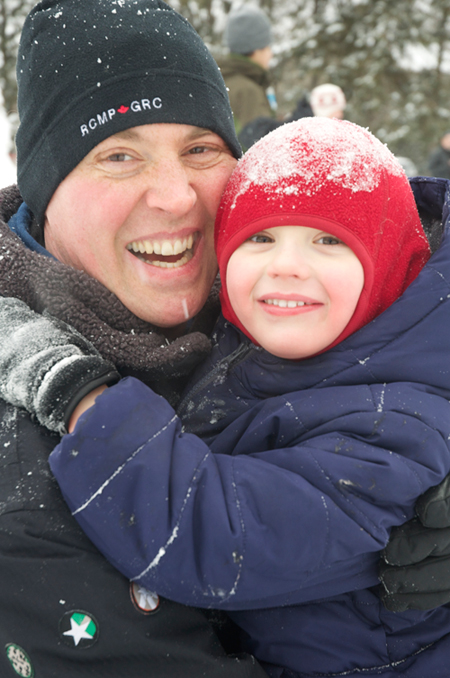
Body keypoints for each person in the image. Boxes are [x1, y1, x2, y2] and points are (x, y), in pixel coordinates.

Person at [5, 118, 450, 677]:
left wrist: (74, 389)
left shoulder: (393, 423)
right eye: (260, 237)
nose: (285, 264)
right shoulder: (271, 343)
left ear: (392, 263)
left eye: (329, 240)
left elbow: (211, 537)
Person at [0, 0, 271, 676]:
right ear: (43, 188)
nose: (177, 196)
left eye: (201, 148)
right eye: (119, 155)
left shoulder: (308, 318)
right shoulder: (25, 468)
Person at [218, 5, 275, 135]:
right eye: (267, 47)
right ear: (256, 48)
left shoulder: (223, 79)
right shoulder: (247, 91)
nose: (271, 54)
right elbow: (262, 144)